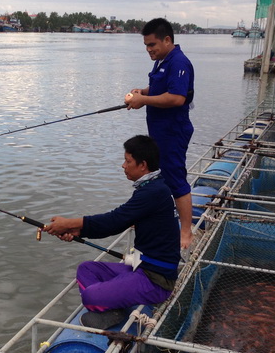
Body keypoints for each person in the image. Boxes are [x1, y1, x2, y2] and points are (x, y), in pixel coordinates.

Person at [44, 135, 180, 329]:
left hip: (156, 281)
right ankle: (112, 304)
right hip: (141, 269)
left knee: (90, 296)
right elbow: (117, 221)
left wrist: (69, 223)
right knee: (86, 268)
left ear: (143, 165)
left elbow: (114, 221)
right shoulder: (153, 187)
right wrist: (76, 231)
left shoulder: (153, 192)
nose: (123, 165)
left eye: (128, 161)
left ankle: (106, 303)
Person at [124, 17, 195, 250]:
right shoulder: (163, 61)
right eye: (146, 45)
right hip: (158, 132)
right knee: (157, 176)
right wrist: (142, 91)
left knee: (175, 178)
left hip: (173, 131)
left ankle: (186, 232)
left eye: (152, 45)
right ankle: (157, 216)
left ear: (167, 40)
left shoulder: (179, 62)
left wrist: (143, 100)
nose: (149, 50)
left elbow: (177, 98)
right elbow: (161, 88)